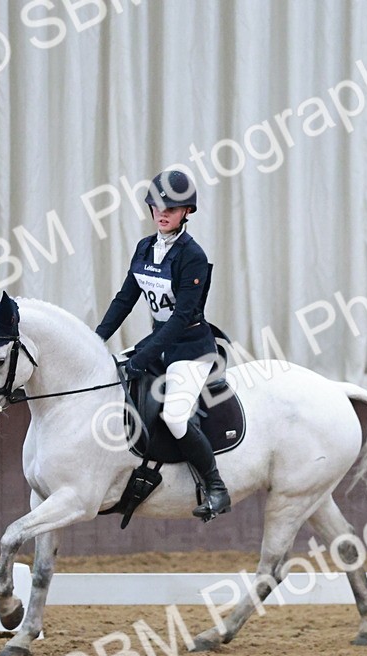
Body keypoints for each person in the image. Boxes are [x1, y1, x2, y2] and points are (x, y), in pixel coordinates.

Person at [94, 169, 231, 521]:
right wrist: (95, 339)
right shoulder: (145, 248)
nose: (162, 213)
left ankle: (216, 487)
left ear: (186, 212)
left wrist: (145, 356)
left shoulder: (192, 255)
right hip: (158, 341)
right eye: (157, 206)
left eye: (171, 208)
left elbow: (182, 317)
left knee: (174, 416)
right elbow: (125, 299)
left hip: (190, 348)